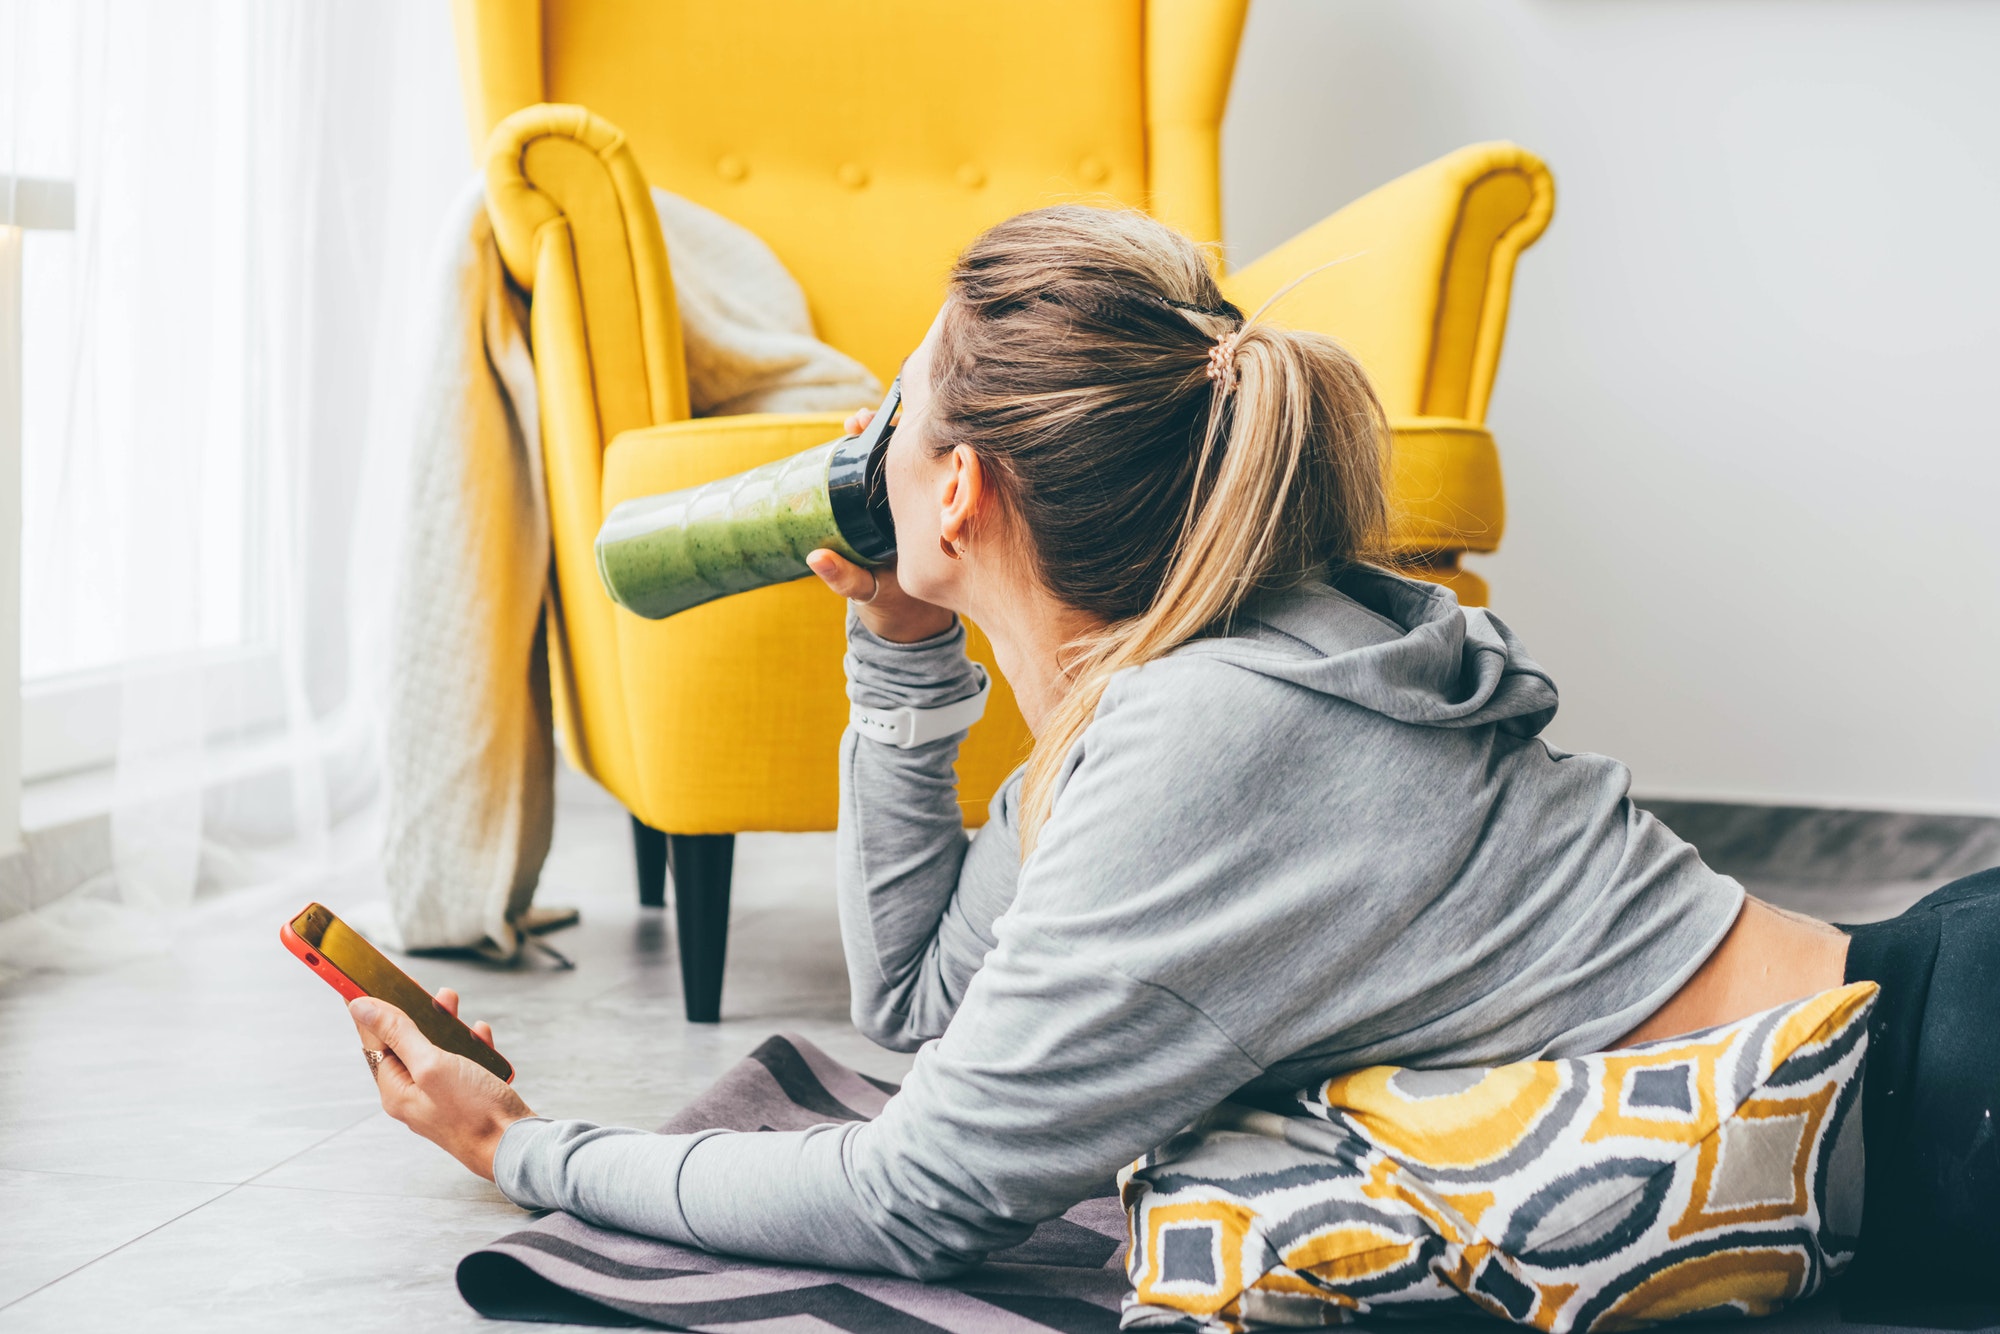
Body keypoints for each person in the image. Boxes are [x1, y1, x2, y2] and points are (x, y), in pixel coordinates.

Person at [348, 205, 1993, 1311]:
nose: (869, 440)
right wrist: (903, 653)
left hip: (1938, 1105)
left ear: (959, 492)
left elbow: (924, 1192)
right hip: (1932, 1025)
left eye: (901, 407)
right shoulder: (1186, 677)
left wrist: (525, 1147)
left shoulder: (1206, 737)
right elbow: (927, 1009)